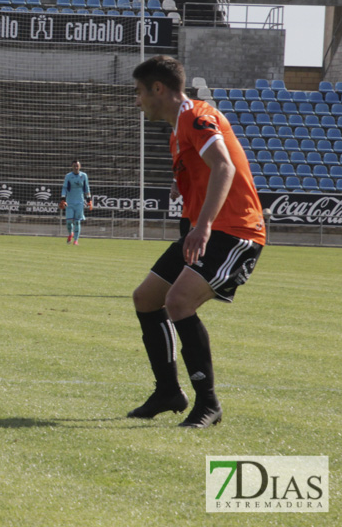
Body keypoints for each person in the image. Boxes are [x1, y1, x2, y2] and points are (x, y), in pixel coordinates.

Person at [128, 55, 265, 428]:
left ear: (159, 89)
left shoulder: (193, 115)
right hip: (205, 228)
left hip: (234, 230)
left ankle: (208, 404)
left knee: (178, 301)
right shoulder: (178, 127)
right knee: (146, 298)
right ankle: (168, 391)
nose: (137, 100)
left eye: (139, 92)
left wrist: (201, 226)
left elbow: (225, 166)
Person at [60, 160, 92, 245]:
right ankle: (70, 234)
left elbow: (87, 188)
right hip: (69, 202)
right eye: (74, 166)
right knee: (69, 222)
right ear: (72, 167)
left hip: (80, 202)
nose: (76, 167)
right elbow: (64, 188)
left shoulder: (84, 176)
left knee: (77, 221)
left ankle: (76, 240)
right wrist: (63, 199)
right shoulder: (68, 176)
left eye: (77, 166)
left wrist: (89, 200)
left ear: (80, 166)